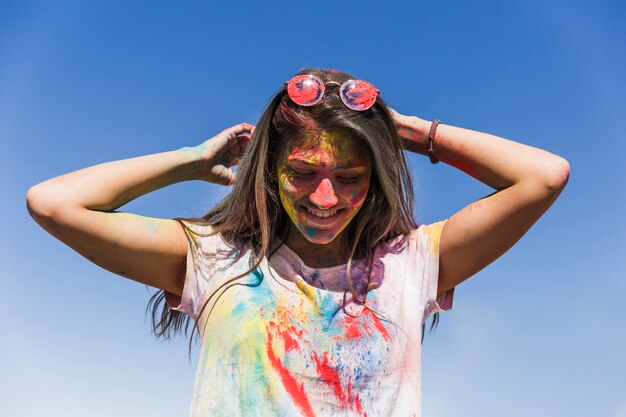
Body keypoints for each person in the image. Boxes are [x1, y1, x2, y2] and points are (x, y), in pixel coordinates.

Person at [26, 67, 569, 417]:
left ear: (376, 178)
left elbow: (544, 176)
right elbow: (53, 204)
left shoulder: (414, 262)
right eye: (302, 172)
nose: (326, 198)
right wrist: (192, 162)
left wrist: (406, 131)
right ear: (269, 171)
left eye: (352, 176)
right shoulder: (213, 257)